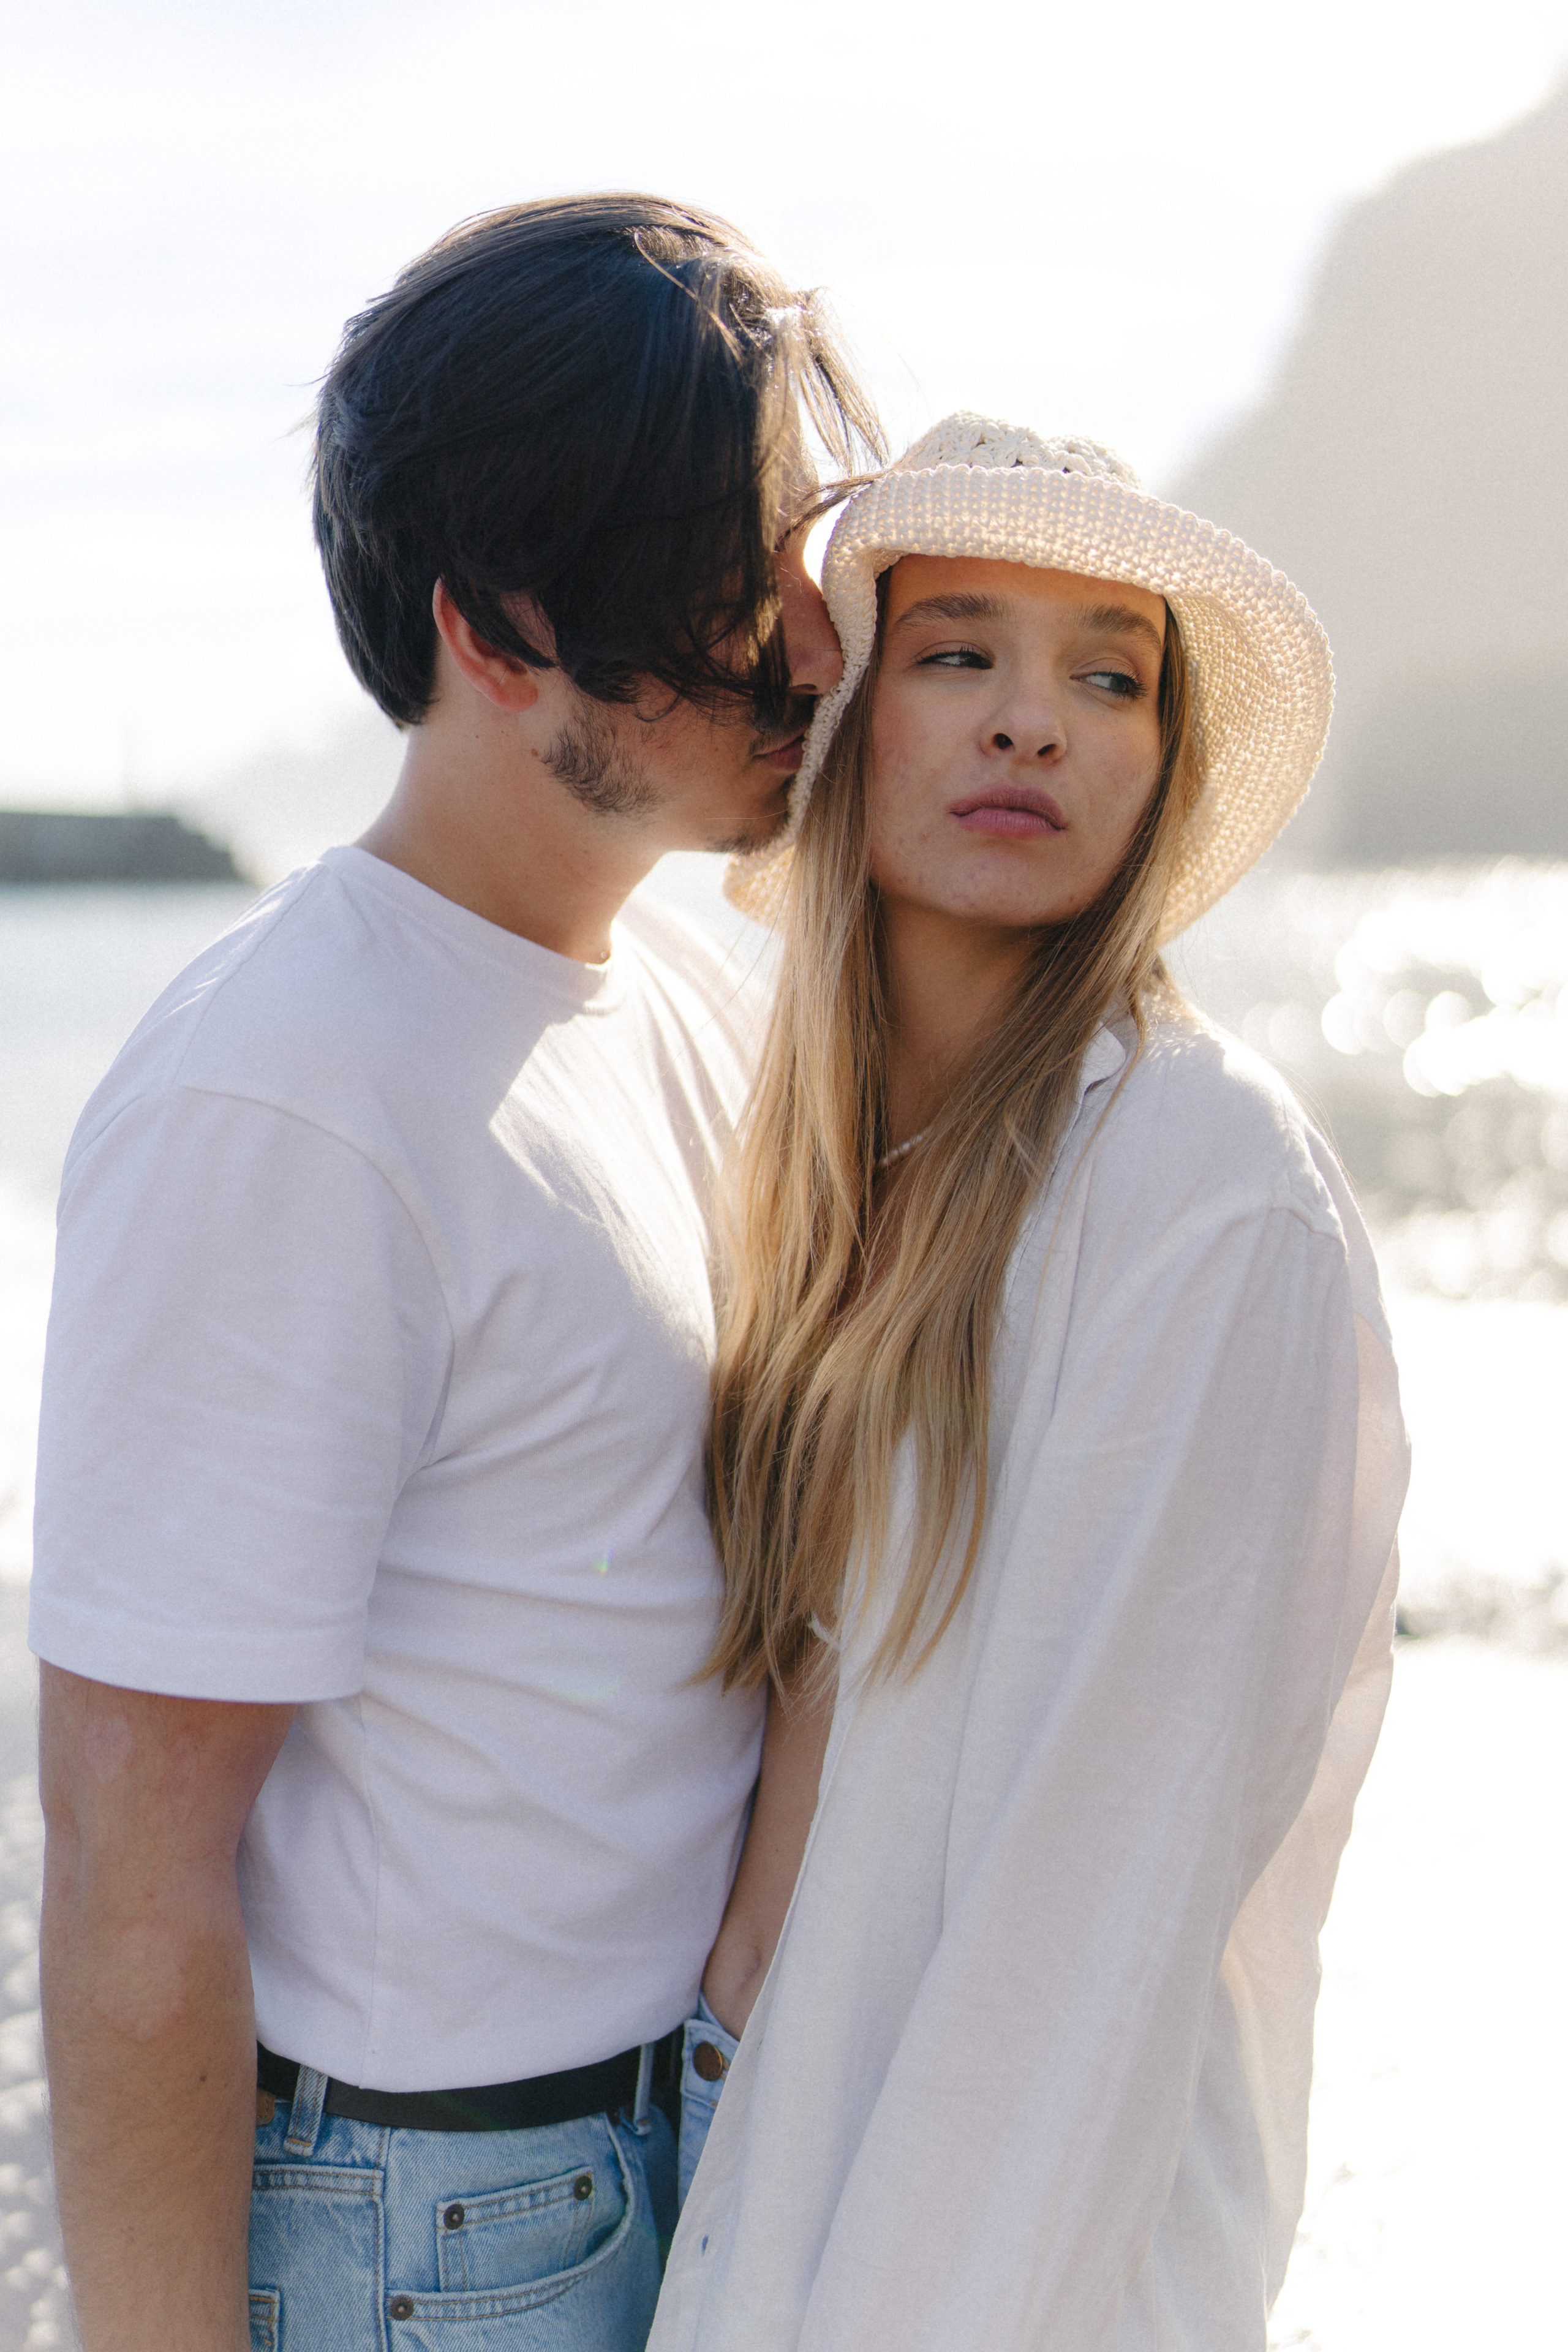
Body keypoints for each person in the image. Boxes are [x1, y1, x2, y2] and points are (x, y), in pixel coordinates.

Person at [29, 194, 878, 2352]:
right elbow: (135, 1861)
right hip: (432, 2220)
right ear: (501, 628)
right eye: (734, 578)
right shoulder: (286, 1098)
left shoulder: (678, 992)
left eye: (809, 564)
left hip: (663, 2139)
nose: (811, 647)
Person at [650, 414, 1410, 2351]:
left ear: (1162, 765)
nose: (1030, 722)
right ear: (852, 719)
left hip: (1000, 2268)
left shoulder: (1201, 1196)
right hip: (750, 2173)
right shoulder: (828, 1186)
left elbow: (1083, 1947)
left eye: (1108, 675)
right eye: (960, 650)